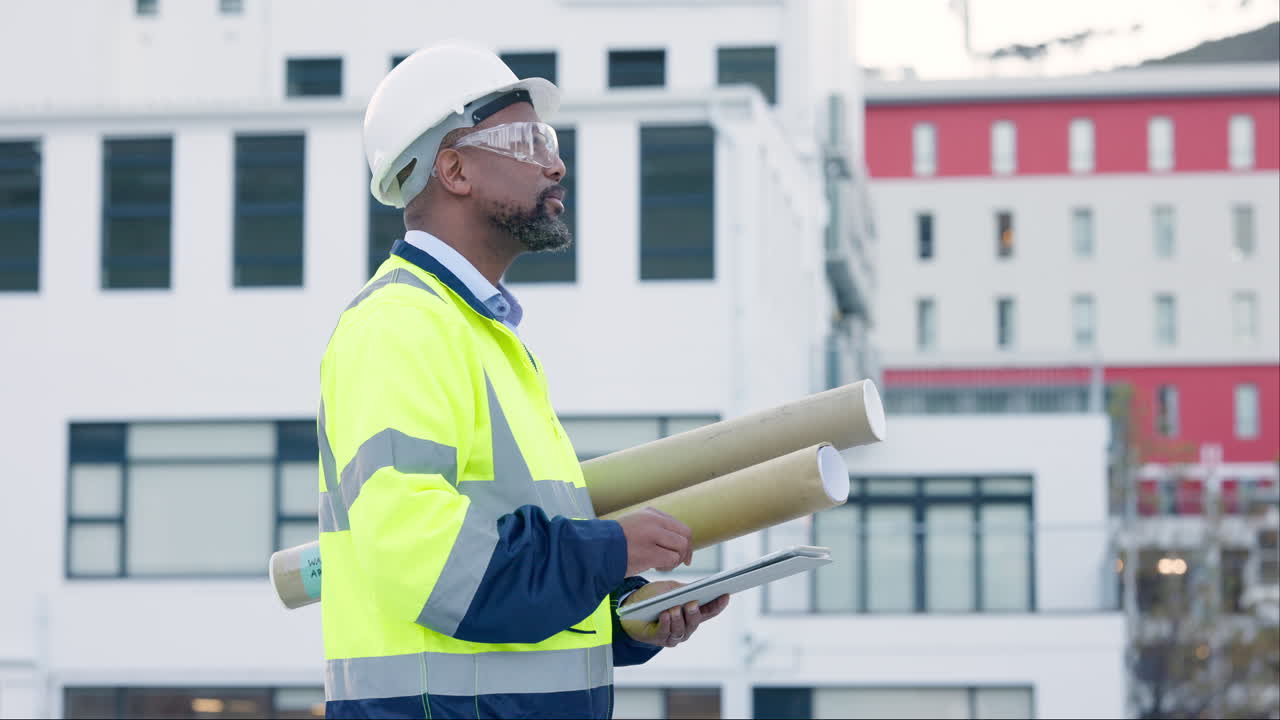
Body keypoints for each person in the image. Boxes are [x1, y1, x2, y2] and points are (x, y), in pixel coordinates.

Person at [318, 43, 729, 719]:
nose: (555, 161)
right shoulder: (399, 326)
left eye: (550, 138)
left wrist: (624, 616)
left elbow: (507, 565)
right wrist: (608, 546)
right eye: (526, 138)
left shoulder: (482, 336)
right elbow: (429, 563)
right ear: (452, 169)